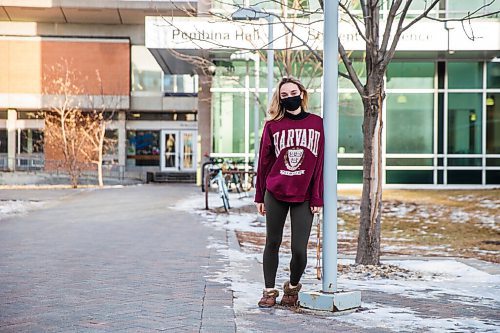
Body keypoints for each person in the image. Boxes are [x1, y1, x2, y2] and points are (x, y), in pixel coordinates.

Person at [255, 77, 324, 308]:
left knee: (299, 250)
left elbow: (320, 165)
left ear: (302, 94)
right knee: (272, 242)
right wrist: (259, 196)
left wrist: (317, 197)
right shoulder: (272, 125)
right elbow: (263, 164)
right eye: (284, 95)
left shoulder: (317, 123)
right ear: (280, 99)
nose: (289, 98)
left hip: (304, 196)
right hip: (275, 192)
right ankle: (269, 291)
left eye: (293, 93)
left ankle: (292, 288)